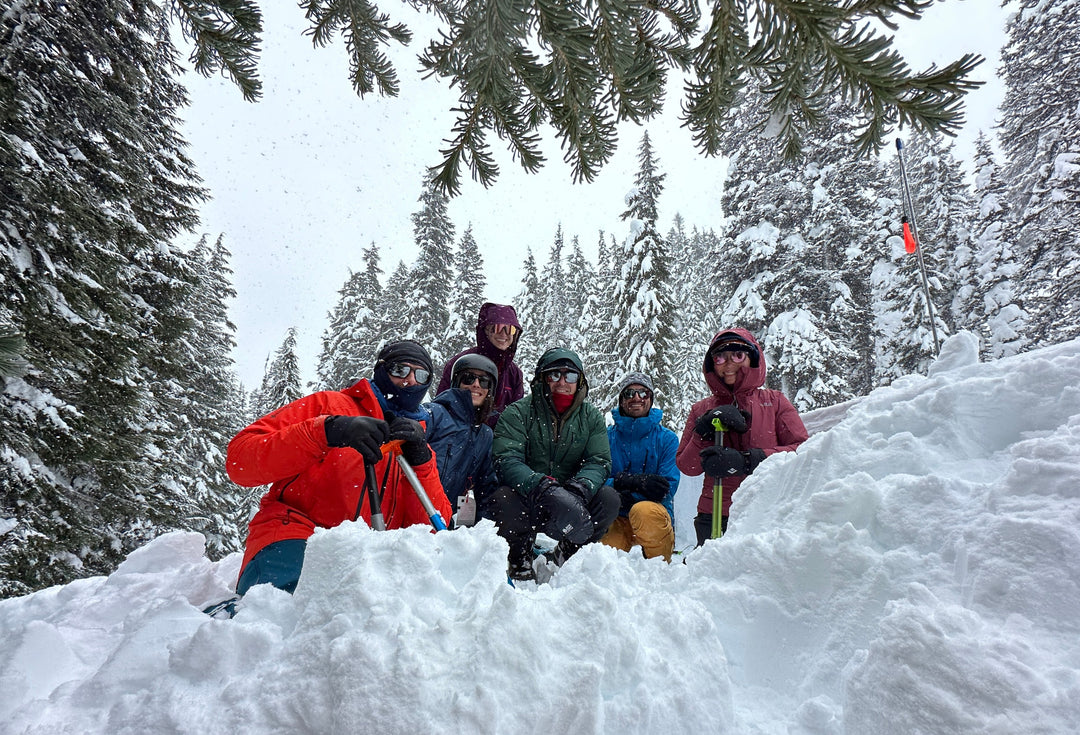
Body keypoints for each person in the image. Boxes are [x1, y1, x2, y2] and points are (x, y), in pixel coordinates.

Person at [225, 339, 451, 596]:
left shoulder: (415, 445)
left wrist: (421, 462)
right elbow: (240, 461)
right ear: (381, 370)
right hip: (297, 536)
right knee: (286, 611)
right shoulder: (328, 406)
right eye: (400, 370)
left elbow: (435, 533)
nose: (410, 380)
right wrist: (327, 431)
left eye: (420, 375)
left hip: (371, 561)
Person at [488, 348, 618, 581]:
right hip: (530, 497)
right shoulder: (518, 412)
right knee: (503, 497)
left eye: (570, 376)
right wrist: (541, 486)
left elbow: (598, 461)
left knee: (608, 499)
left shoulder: (591, 417)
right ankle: (520, 553)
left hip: (573, 499)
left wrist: (580, 488)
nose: (562, 382)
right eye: (554, 375)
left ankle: (569, 551)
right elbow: (506, 459)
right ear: (541, 379)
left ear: (579, 382)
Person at [676, 328, 808, 545]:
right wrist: (703, 431)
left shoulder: (774, 402)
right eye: (720, 358)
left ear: (753, 358)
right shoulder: (701, 410)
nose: (728, 365)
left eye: (738, 356)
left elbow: (802, 450)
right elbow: (687, 466)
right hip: (713, 512)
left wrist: (748, 461)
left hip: (763, 509)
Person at [599, 372, 680, 561]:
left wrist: (631, 491)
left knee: (643, 511)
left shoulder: (667, 439)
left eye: (643, 393)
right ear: (621, 400)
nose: (636, 398)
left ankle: (659, 566)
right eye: (629, 393)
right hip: (617, 515)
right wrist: (618, 487)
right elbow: (596, 477)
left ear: (651, 399)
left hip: (654, 514)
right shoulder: (606, 438)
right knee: (606, 558)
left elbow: (667, 487)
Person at [424, 354, 500, 527]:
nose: (476, 384)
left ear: (490, 391)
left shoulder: (484, 435)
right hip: (415, 509)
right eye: (468, 378)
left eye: (484, 382)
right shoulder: (435, 413)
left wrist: (481, 532)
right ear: (457, 383)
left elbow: (486, 486)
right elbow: (413, 420)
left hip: (443, 519)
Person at [437, 302, 525, 427]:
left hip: (497, 441)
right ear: (486, 330)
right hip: (456, 435)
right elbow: (441, 406)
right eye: (498, 327)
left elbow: (516, 418)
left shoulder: (514, 373)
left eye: (510, 329)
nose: (504, 334)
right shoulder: (462, 362)